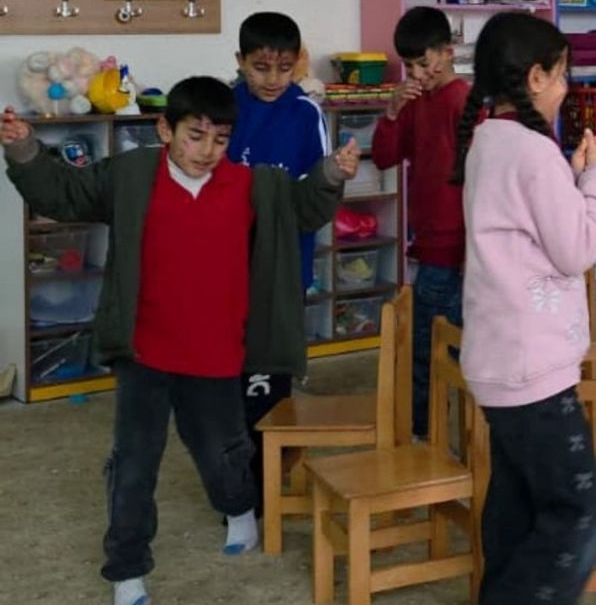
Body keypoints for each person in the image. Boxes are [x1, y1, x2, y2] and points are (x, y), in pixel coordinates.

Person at [2, 77, 357, 605]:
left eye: (220, 139)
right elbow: (65, 193)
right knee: (134, 461)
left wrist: (331, 172)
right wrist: (25, 148)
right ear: (165, 129)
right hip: (144, 351)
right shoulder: (131, 174)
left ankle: (239, 509)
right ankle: (127, 569)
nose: (207, 151)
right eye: (195, 136)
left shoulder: (250, 184)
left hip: (217, 352)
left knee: (221, 451)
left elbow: (303, 207)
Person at [454, 12, 596, 605]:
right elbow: (576, 249)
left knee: (517, 505)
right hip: (533, 369)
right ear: (534, 78)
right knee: (580, 513)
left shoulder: (489, 141)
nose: (565, 87)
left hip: (500, 360)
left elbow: (533, 228)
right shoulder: (532, 152)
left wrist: (575, 177)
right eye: (561, 75)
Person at [225, 11, 330, 500]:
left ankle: (266, 480)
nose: (272, 79)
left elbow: (317, 195)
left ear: (297, 64)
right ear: (240, 60)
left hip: (284, 268)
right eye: (260, 67)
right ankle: (235, 475)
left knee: (271, 377)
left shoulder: (306, 113)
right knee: (229, 374)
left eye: (284, 69)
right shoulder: (223, 108)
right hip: (226, 266)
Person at [371, 6, 470, 440]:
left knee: (434, 352)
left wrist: (471, 251)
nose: (415, 74)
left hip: (454, 247)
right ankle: (428, 435)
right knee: (426, 349)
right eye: (408, 65)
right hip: (428, 244)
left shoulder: (462, 100)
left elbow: (477, 178)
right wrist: (392, 113)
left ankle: (428, 437)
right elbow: (385, 157)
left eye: (423, 63)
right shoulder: (415, 102)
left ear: (448, 53)